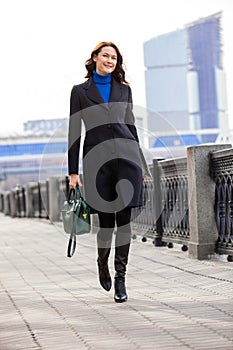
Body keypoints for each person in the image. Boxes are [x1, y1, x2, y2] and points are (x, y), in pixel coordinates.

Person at [68, 41, 143, 303]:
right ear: (95, 58)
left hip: (127, 161)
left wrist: (141, 164)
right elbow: (74, 132)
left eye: (114, 57)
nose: (110, 60)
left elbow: (131, 127)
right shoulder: (80, 91)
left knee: (124, 224)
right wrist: (73, 172)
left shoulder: (124, 89)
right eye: (106, 56)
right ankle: (102, 263)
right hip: (97, 164)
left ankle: (121, 279)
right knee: (107, 225)